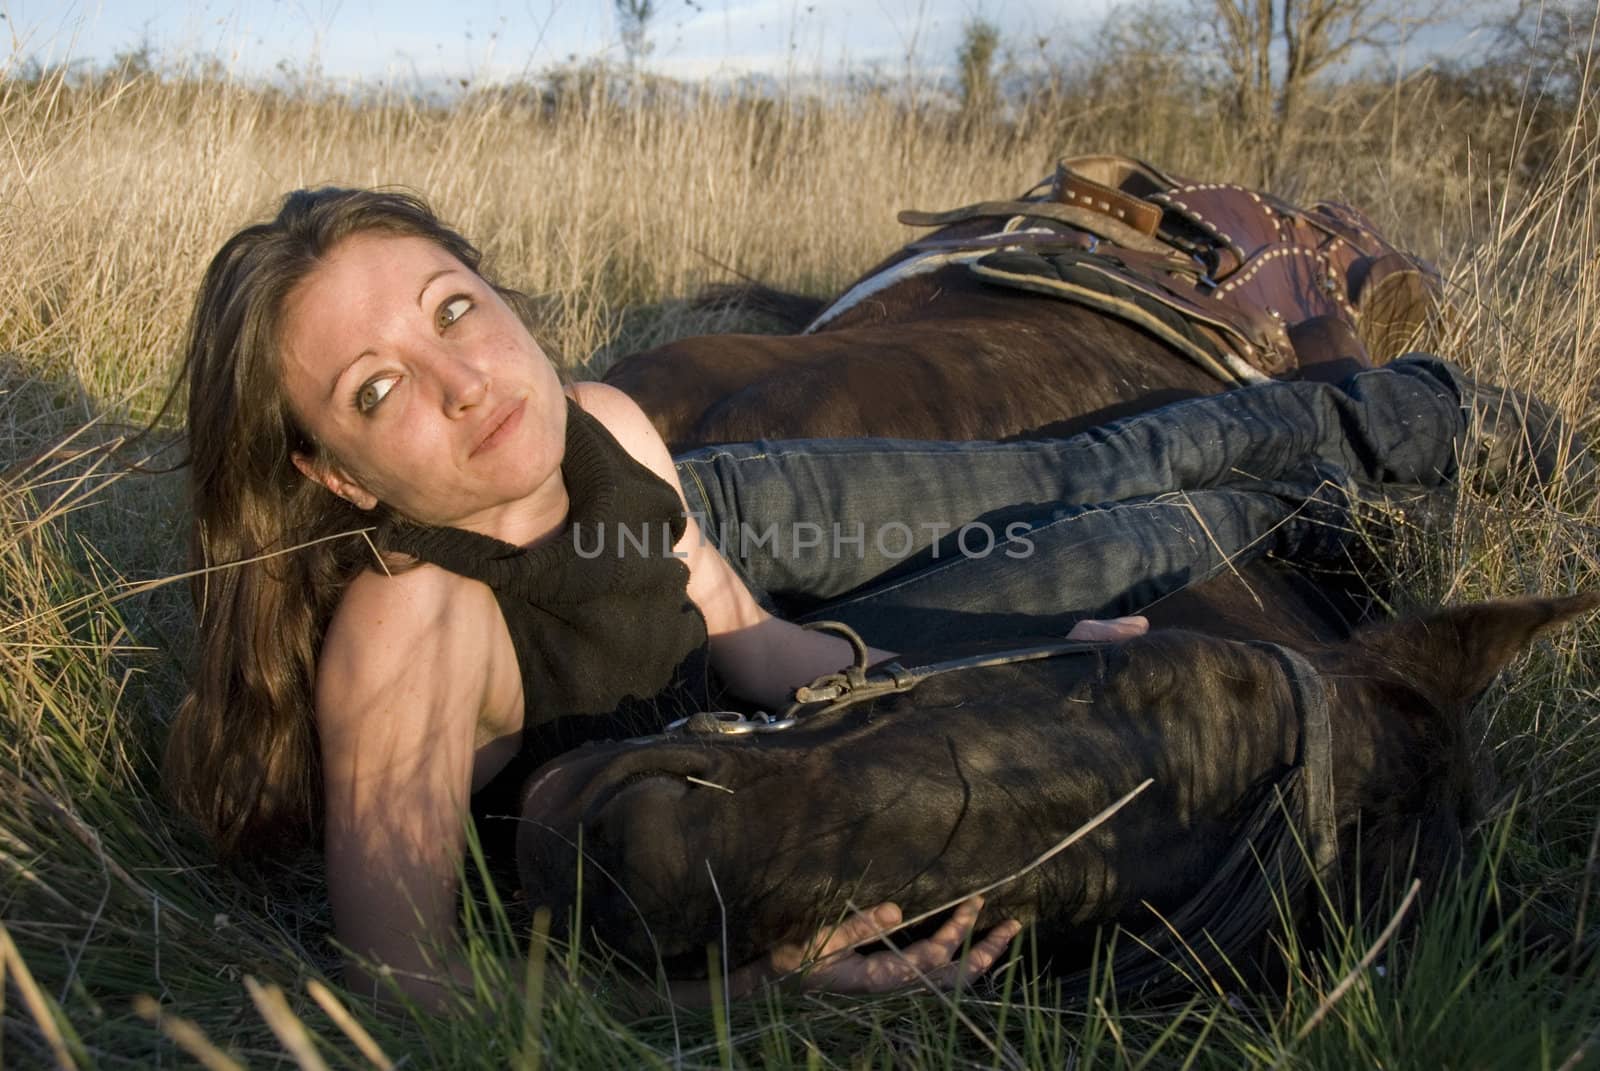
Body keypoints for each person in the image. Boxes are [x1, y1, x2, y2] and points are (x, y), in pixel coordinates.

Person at [162, 187, 1532, 1011]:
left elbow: (745, 634)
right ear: (333, 478)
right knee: (1123, 503)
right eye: (377, 391)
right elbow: (407, 988)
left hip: (767, 646)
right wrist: (737, 994)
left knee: (1105, 506)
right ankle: (1375, 452)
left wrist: (984, 653)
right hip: (703, 805)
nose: (460, 379)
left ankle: (1435, 429)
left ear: (499, 294)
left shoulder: (604, 424)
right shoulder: (412, 623)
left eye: (452, 308)